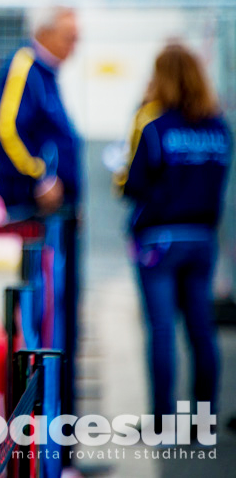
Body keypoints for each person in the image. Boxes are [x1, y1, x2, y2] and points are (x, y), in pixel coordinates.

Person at [115, 43, 231, 425]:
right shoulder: (220, 128)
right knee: (201, 330)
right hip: (202, 238)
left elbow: (133, 185)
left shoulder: (154, 126)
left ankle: (163, 421)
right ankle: (203, 421)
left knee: (162, 329)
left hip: (159, 240)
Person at [0, 5, 82, 469]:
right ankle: (49, 454)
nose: (76, 44)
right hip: (36, 217)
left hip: (57, 219)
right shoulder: (27, 65)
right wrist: (40, 177)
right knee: (45, 328)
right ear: (46, 31)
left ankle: (61, 448)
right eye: (70, 34)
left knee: (58, 327)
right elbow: (6, 127)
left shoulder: (45, 71)